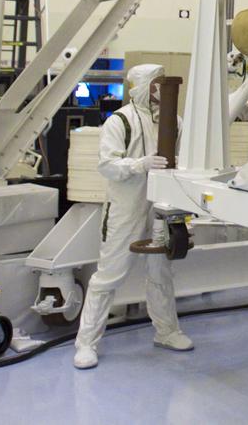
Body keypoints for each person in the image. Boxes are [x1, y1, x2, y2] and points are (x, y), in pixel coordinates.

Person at [73, 64, 192, 369]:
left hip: (160, 206)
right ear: (143, 86)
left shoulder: (174, 122)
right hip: (126, 208)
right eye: (156, 83)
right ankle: (86, 343)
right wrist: (139, 164)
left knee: (161, 272)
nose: (160, 89)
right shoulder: (120, 121)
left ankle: (167, 331)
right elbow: (107, 165)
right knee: (109, 275)